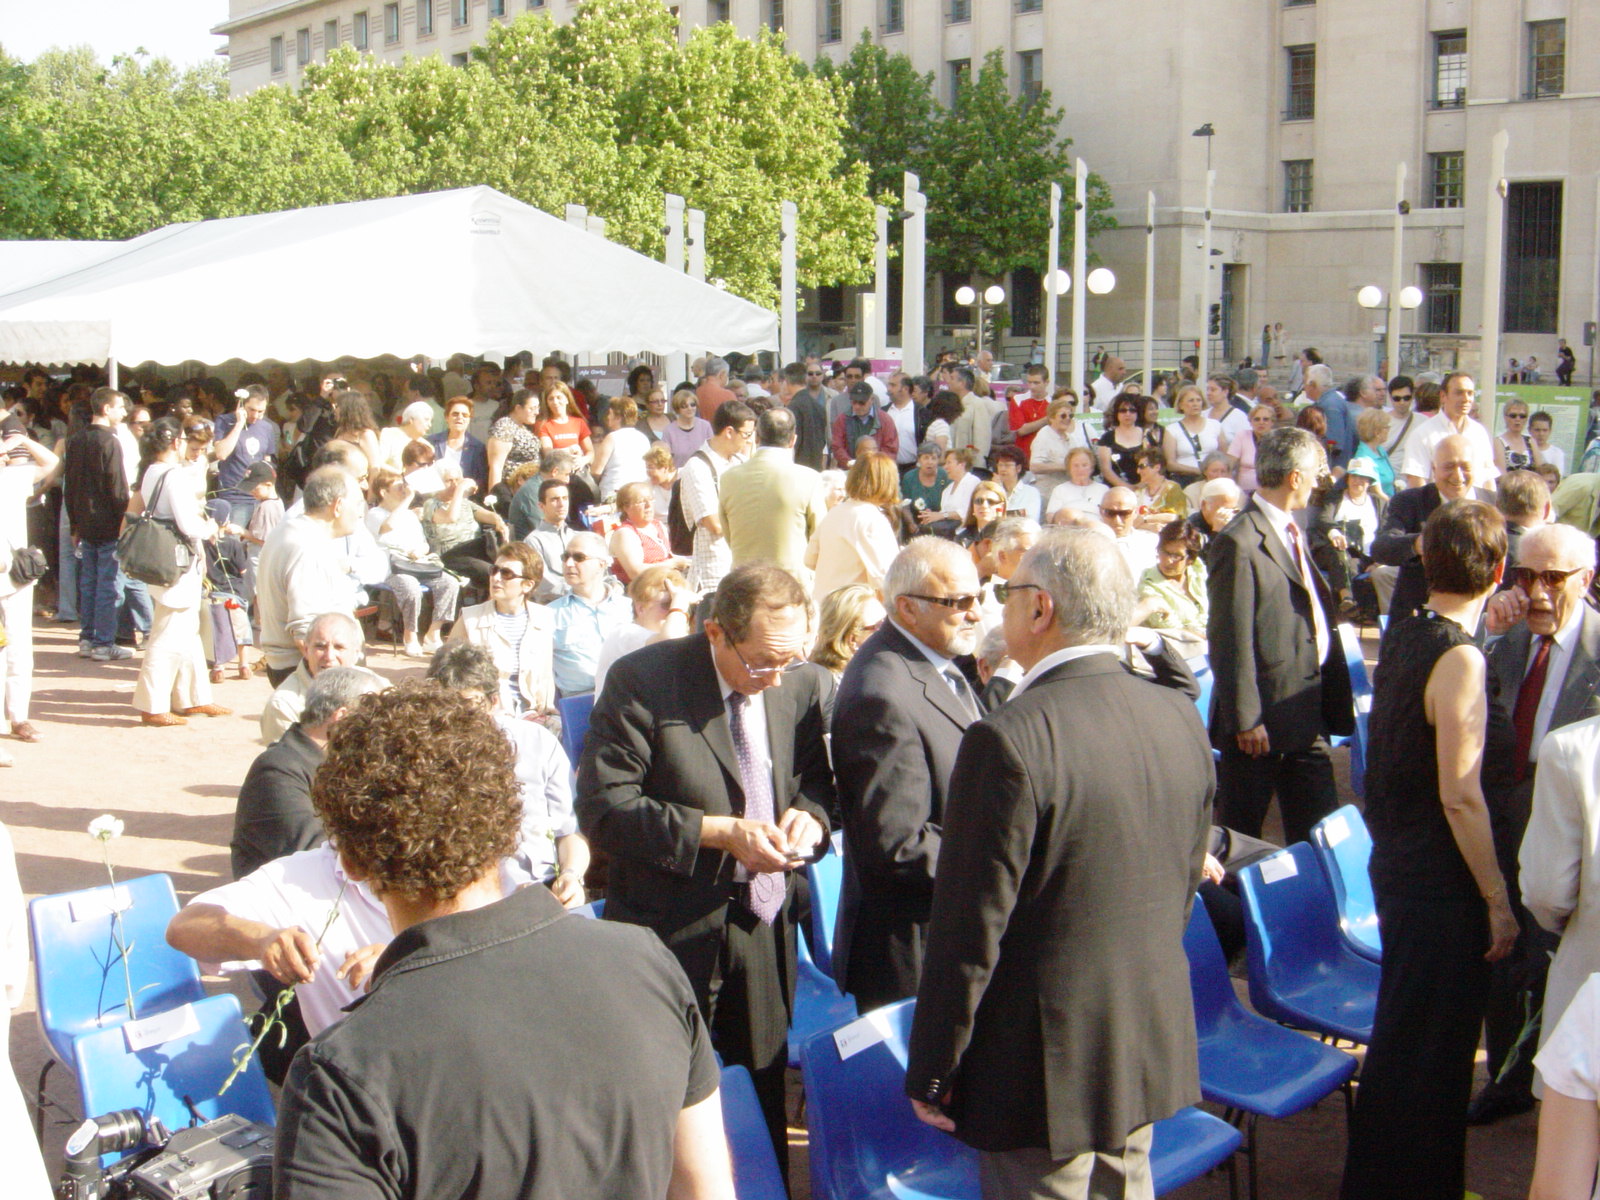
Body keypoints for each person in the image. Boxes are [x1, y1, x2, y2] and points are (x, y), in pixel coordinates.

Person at [251, 681, 734, 1199]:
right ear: (506, 826)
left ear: (350, 862)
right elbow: (706, 1188)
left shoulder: (341, 1073)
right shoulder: (644, 961)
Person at [905, 528, 1212, 1200]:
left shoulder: (1007, 738)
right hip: (1140, 1034)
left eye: (1007, 593)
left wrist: (932, 1066)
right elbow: (1185, 881)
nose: (995, 608)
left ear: (1040, 607)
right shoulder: (1177, 711)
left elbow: (969, 929)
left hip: (1039, 1065)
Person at [577, 564, 835, 1168]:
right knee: (663, 1097)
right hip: (668, 924)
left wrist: (811, 819)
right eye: (762, 663)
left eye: (790, 659)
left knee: (764, 1084)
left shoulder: (798, 682)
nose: (776, 679)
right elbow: (604, 809)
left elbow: (818, 784)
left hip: (762, 920)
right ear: (716, 632)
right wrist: (717, 834)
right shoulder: (644, 680)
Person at [1341, 500, 1520, 1200]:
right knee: (1432, 1055)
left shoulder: (1408, 633)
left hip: (1402, 867)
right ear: (1498, 571)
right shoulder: (1460, 658)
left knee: (1406, 1043)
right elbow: (1461, 795)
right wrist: (1497, 899)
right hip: (1442, 885)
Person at [1470, 523, 1600, 1125]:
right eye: (1526, 576)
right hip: (1500, 819)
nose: (1539, 592)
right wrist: (1488, 634)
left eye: (1554, 578)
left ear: (1587, 578)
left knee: (1561, 963)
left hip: (1569, 831)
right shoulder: (1505, 637)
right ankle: (1506, 1077)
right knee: (1503, 955)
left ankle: (1566, 1087)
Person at [831, 538, 982, 1012]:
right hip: (913, 955)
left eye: (979, 597)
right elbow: (900, 845)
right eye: (959, 602)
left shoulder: (932, 664)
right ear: (908, 608)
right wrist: (1003, 860)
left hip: (944, 936)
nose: (976, 613)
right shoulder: (881, 692)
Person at [1207, 426, 1354, 848]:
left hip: (1306, 712)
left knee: (1320, 836)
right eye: (1316, 474)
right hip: (1260, 728)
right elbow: (1229, 639)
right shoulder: (1239, 541)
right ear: (1295, 477)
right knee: (1241, 841)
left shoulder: (1292, 528)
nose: (1319, 483)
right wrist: (1247, 720)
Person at [426, 643, 590, 902]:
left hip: (541, 889)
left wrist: (571, 876)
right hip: (462, 897)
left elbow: (569, 830)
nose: (456, 716)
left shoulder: (537, 742)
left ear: (493, 701)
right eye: (445, 705)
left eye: (469, 704)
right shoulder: (423, 758)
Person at [233, 665, 382, 881]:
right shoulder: (276, 770)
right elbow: (315, 853)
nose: (382, 727)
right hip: (291, 893)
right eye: (376, 715)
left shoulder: (338, 762)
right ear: (343, 717)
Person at [129, 420, 231, 727]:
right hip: (178, 560)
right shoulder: (173, 475)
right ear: (175, 443)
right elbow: (189, 524)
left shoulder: (152, 471)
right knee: (169, 634)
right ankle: (153, 704)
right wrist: (211, 527)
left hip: (172, 559)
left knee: (187, 631)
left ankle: (193, 697)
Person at [1371, 434, 1485, 626]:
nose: (1458, 475)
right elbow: (1382, 548)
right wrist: (1418, 544)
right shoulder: (1409, 501)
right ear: (1434, 469)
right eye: (1449, 467)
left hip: (1479, 620)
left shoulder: (1493, 504)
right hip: (1417, 621)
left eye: (1465, 467)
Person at [448, 542, 555, 720]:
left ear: (527, 585)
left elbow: (547, 676)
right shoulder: (470, 619)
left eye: (506, 574)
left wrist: (547, 709)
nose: (496, 578)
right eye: (494, 570)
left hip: (536, 714)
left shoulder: (545, 618)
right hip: (487, 717)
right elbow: (446, 671)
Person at [64, 387, 132, 661]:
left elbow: (70, 486)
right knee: (107, 586)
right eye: (120, 407)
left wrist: (74, 523)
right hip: (108, 523)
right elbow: (117, 487)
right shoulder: (109, 442)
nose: (124, 412)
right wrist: (125, 520)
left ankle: (87, 638)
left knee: (89, 582)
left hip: (85, 521)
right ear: (106, 409)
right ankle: (103, 642)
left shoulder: (75, 440)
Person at [718, 407, 824, 580]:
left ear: (757, 437)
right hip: (791, 583)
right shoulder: (809, 479)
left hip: (743, 581)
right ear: (793, 440)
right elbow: (819, 538)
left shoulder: (728, 478)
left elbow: (728, 533)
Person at [0, 424, 56, 746]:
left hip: (16, 575)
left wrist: (21, 439)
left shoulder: (13, 478)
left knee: (19, 647)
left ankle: (19, 716)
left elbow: (51, 463)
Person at [365, 469, 458, 657]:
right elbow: (387, 526)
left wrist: (419, 551)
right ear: (384, 492)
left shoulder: (409, 515)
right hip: (392, 567)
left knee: (450, 583)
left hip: (416, 564)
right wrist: (408, 499)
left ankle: (433, 633)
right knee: (411, 587)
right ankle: (410, 635)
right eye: (399, 488)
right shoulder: (375, 513)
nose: (404, 491)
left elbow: (424, 543)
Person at [805, 451, 901, 604]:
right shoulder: (873, 520)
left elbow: (810, 559)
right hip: (852, 609)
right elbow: (886, 577)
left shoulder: (834, 513)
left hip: (823, 605)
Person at [679, 400, 754, 593]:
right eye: (746, 435)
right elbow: (714, 524)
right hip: (714, 573)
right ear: (729, 432)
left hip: (743, 568)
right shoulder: (697, 466)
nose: (749, 441)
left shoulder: (740, 462)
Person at [547, 531, 632, 696]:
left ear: (602, 564)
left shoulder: (628, 608)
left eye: (579, 557)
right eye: (565, 557)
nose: (569, 563)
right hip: (581, 700)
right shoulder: (549, 614)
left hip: (627, 695)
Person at [1310, 457, 1387, 620]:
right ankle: (1346, 598)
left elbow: (1386, 534)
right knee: (1340, 554)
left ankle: (1354, 610)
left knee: (1351, 567)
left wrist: (1378, 562)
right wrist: (1334, 532)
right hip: (1332, 551)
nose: (1357, 481)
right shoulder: (1335, 497)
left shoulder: (1379, 504)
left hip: (1364, 556)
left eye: (1362, 477)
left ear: (1369, 481)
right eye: (1354, 476)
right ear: (1347, 478)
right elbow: (1323, 518)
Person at [1401, 371, 1499, 490]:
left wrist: (1490, 501)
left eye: (1470, 393)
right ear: (1443, 396)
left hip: (1475, 501)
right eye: (1459, 393)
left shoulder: (1479, 432)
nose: (1466, 399)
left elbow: (1488, 478)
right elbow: (1416, 481)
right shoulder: (1422, 434)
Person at [1133, 518, 1210, 655]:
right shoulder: (1148, 585)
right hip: (1179, 652)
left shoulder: (1198, 570)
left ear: (1190, 559)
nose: (1168, 561)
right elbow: (1173, 630)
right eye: (1165, 552)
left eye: (1177, 556)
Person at [210, 384, 278, 527]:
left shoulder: (267, 427)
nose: (256, 415)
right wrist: (239, 424)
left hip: (259, 496)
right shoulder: (224, 421)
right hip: (234, 496)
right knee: (233, 537)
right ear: (241, 405)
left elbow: (267, 461)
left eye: (261, 411)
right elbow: (221, 453)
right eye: (251, 410)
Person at [609, 480, 689, 585]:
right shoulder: (625, 533)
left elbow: (669, 557)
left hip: (664, 584)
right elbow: (635, 573)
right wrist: (672, 564)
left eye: (651, 499)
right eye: (641, 501)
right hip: (639, 590)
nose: (648, 505)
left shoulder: (658, 525)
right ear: (626, 507)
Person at [809, 583, 886, 680]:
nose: (889, 631)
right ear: (852, 640)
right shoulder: (851, 683)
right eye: (881, 626)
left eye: (887, 621)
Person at [1164, 383, 1225, 486]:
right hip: (1185, 479)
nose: (1195, 404)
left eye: (1198, 400)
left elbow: (1224, 455)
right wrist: (1197, 471)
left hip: (1213, 479)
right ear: (1181, 405)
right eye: (1191, 401)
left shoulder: (1215, 425)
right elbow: (1170, 464)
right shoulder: (1172, 429)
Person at [425, 396, 489, 494]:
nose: (460, 417)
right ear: (447, 417)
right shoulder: (431, 442)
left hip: (465, 498)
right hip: (434, 495)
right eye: (455, 414)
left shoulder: (478, 448)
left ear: (469, 419)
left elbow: (481, 480)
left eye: (465, 415)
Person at [485, 388, 543, 494]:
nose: (537, 412)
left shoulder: (523, 427)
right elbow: (496, 466)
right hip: (513, 491)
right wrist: (494, 497)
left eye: (538, 408)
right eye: (532, 408)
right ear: (518, 408)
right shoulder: (505, 427)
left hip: (530, 488)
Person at [1094, 486, 1160, 576]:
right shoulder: (1088, 544)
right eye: (1110, 513)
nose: (1117, 520)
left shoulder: (1151, 542)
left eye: (1124, 513)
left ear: (1135, 512)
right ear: (1100, 511)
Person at [831, 381, 899, 468]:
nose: (857, 406)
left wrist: (874, 465)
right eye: (854, 402)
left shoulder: (885, 420)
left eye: (862, 403)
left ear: (872, 400)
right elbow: (837, 447)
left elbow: (890, 448)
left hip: (876, 469)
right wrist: (851, 463)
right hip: (849, 469)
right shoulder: (842, 420)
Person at [1045, 447, 1109, 526]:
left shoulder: (1103, 489)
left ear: (1092, 468)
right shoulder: (1060, 489)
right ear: (1069, 468)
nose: (1080, 469)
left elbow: (1109, 516)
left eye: (1084, 465)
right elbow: (1051, 517)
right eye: (1076, 465)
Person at [1096, 395, 1147, 490]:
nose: (1128, 414)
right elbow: (1106, 470)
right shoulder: (1107, 438)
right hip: (1114, 490)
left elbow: (1153, 465)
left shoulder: (1147, 436)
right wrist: (1128, 487)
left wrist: (1140, 486)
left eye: (1132, 410)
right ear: (1116, 413)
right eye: (1123, 410)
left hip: (1143, 489)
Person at [1229, 403, 1278, 495]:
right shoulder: (1242, 436)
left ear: (1272, 422)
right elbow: (1230, 464)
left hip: (1270, 491)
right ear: (1250, 422)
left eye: (1266, 419)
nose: (1261, 422)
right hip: (1244, 491)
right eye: (1257, 419)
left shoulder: (1278, 440)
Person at [664, 385, 714, 467]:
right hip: (679, 473)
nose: (689, 408)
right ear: (677, 409)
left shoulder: (705, 426)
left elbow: (712, 452)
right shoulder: (669, 430)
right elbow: (666, 458)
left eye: (692, 404)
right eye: (684, 406)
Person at [900, 442, 948, 522]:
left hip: (941, 521)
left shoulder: (945, 476)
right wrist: (911, 524)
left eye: (933, 458)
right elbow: (905, 506)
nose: (930, 462)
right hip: (916, 521)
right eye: (926, 458)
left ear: (938, 460)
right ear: (919, 460)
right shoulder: (909, 477)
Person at [1494, 397, 1540, 475]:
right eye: (1513, 415)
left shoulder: (1530, 441)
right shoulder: (1498, 442)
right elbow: (1501, 474)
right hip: (1508, 482)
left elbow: (1540, 469)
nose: (1518, 419)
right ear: (1505, 417)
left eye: (1522, 416)